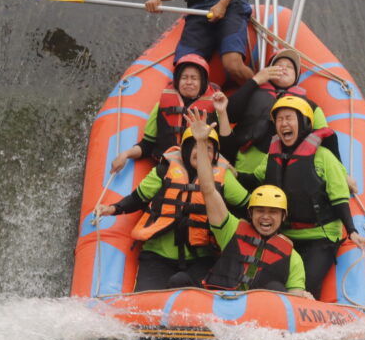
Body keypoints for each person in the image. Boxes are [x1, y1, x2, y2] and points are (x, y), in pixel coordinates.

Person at [94, 126, 250, 292]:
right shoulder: (163, 171)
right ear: (186, 149)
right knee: (147, 299)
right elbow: (138, 198)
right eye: (196, 146)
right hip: (157, 256)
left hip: (201, 258)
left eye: (208, 148)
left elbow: (247, 206)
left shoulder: (223, 177)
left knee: (186, 286)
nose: (201, 152)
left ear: (215, 154)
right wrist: (112, 209)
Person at [251, 95, 365, 299]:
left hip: (320, 236)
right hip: (285, 234)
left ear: (303, 123)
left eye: (289, 118)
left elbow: (339, 198)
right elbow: (254, 179)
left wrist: (352, 230)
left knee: (308, 284)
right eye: (279, 119)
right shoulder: (272, 156)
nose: (283, 124)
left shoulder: (324, 157)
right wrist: (227, 172)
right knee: (269, 282)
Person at [187, 107, 309, 297]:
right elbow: (208, 189)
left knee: (277, 288)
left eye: (273, 212)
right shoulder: (230, 230)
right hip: (220, 304)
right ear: (250, 214)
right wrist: (202, 143)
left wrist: (303, 296)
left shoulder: (293, 259)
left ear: (283, 216)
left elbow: (294, 297)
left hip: (259, 313)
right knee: (179, 280)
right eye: (260, 211)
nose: (265, 217)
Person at [218, 48, 340, 175]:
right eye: (279, 65)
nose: (284, 68)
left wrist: (341, 173)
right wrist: (256, 80)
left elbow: (326, 138)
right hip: (240, 164)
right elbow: (229, 113)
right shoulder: (252, 91)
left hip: (284, 171)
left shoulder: (310, 106)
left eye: (290, 67)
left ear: (296, 77)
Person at [111, 54, 219, 172]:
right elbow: (147, 145)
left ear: (203, 82)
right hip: (166, 168)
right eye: (184, 78)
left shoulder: (214, 108)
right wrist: (125, 154)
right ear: (177, 80)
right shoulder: (162, 105)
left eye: (194, 78)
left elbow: (224, 146)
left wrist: (222, 113)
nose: (189, 82)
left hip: (200, 171)